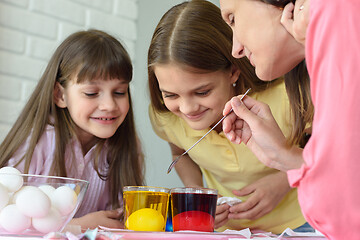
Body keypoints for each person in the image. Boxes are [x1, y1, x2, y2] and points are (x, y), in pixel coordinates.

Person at [147, 0, 309, 234]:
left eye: (202, 92)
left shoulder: (288, 96)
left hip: (302, 223)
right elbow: (178, 152)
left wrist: (285, 180)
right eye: (171, 94)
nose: (187, 108)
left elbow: (330, 154)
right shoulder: (166, 117)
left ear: (233, 71)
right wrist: (196, 193)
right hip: (228, 232)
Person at [220, 0, 360, 239]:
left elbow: (343, 213)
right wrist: (284, 157)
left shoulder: (336, 8)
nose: (236, 49)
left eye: (233, 19)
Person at [0, 29, 145, 229]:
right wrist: (79, 225)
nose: (110, 105)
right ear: (60, 95)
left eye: (120, 92)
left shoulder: (126, 147)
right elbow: (8, 223)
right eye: (92, 93)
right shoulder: (37, 143)